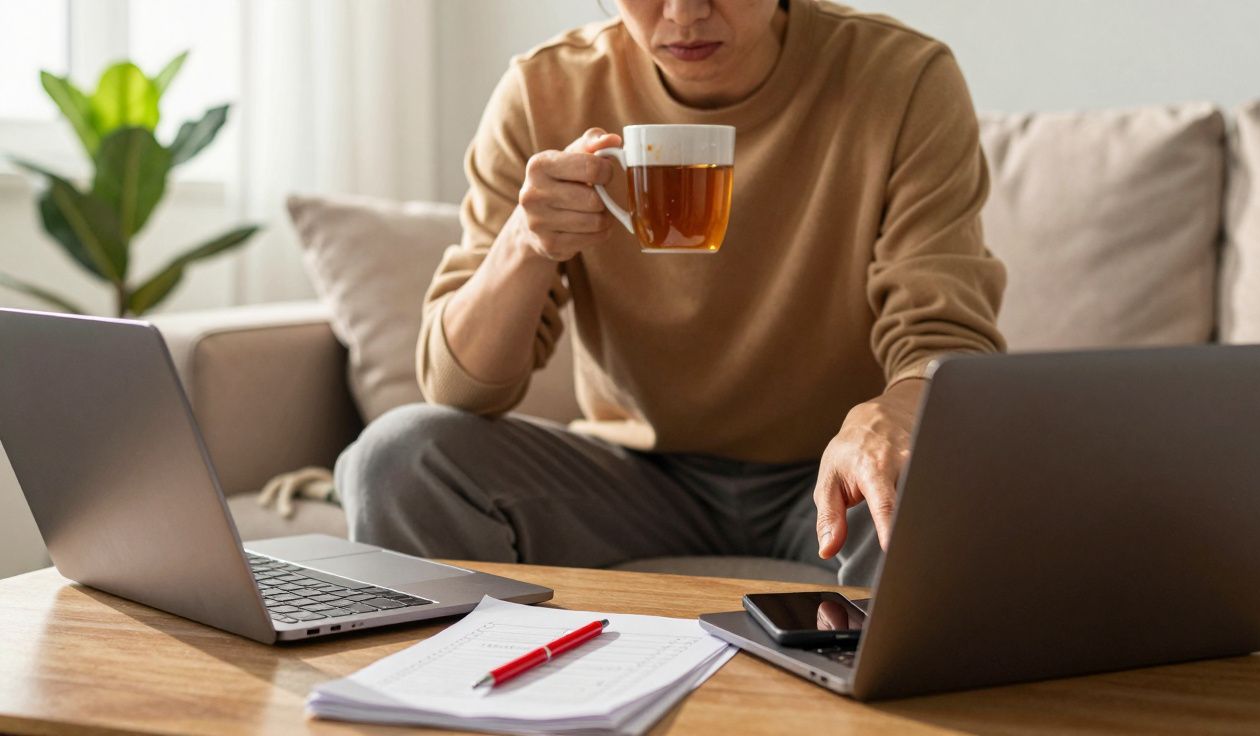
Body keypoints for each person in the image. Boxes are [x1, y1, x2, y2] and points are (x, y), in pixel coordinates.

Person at [336, 0, 1005, 586]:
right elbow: (460, 392)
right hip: (634, 480)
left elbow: (942, 335)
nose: (683, 13)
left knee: (928, 486)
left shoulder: (902, 78)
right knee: (399, 458)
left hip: (834, 474)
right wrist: (523, 244)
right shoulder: (546, 89)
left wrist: (893, 413)